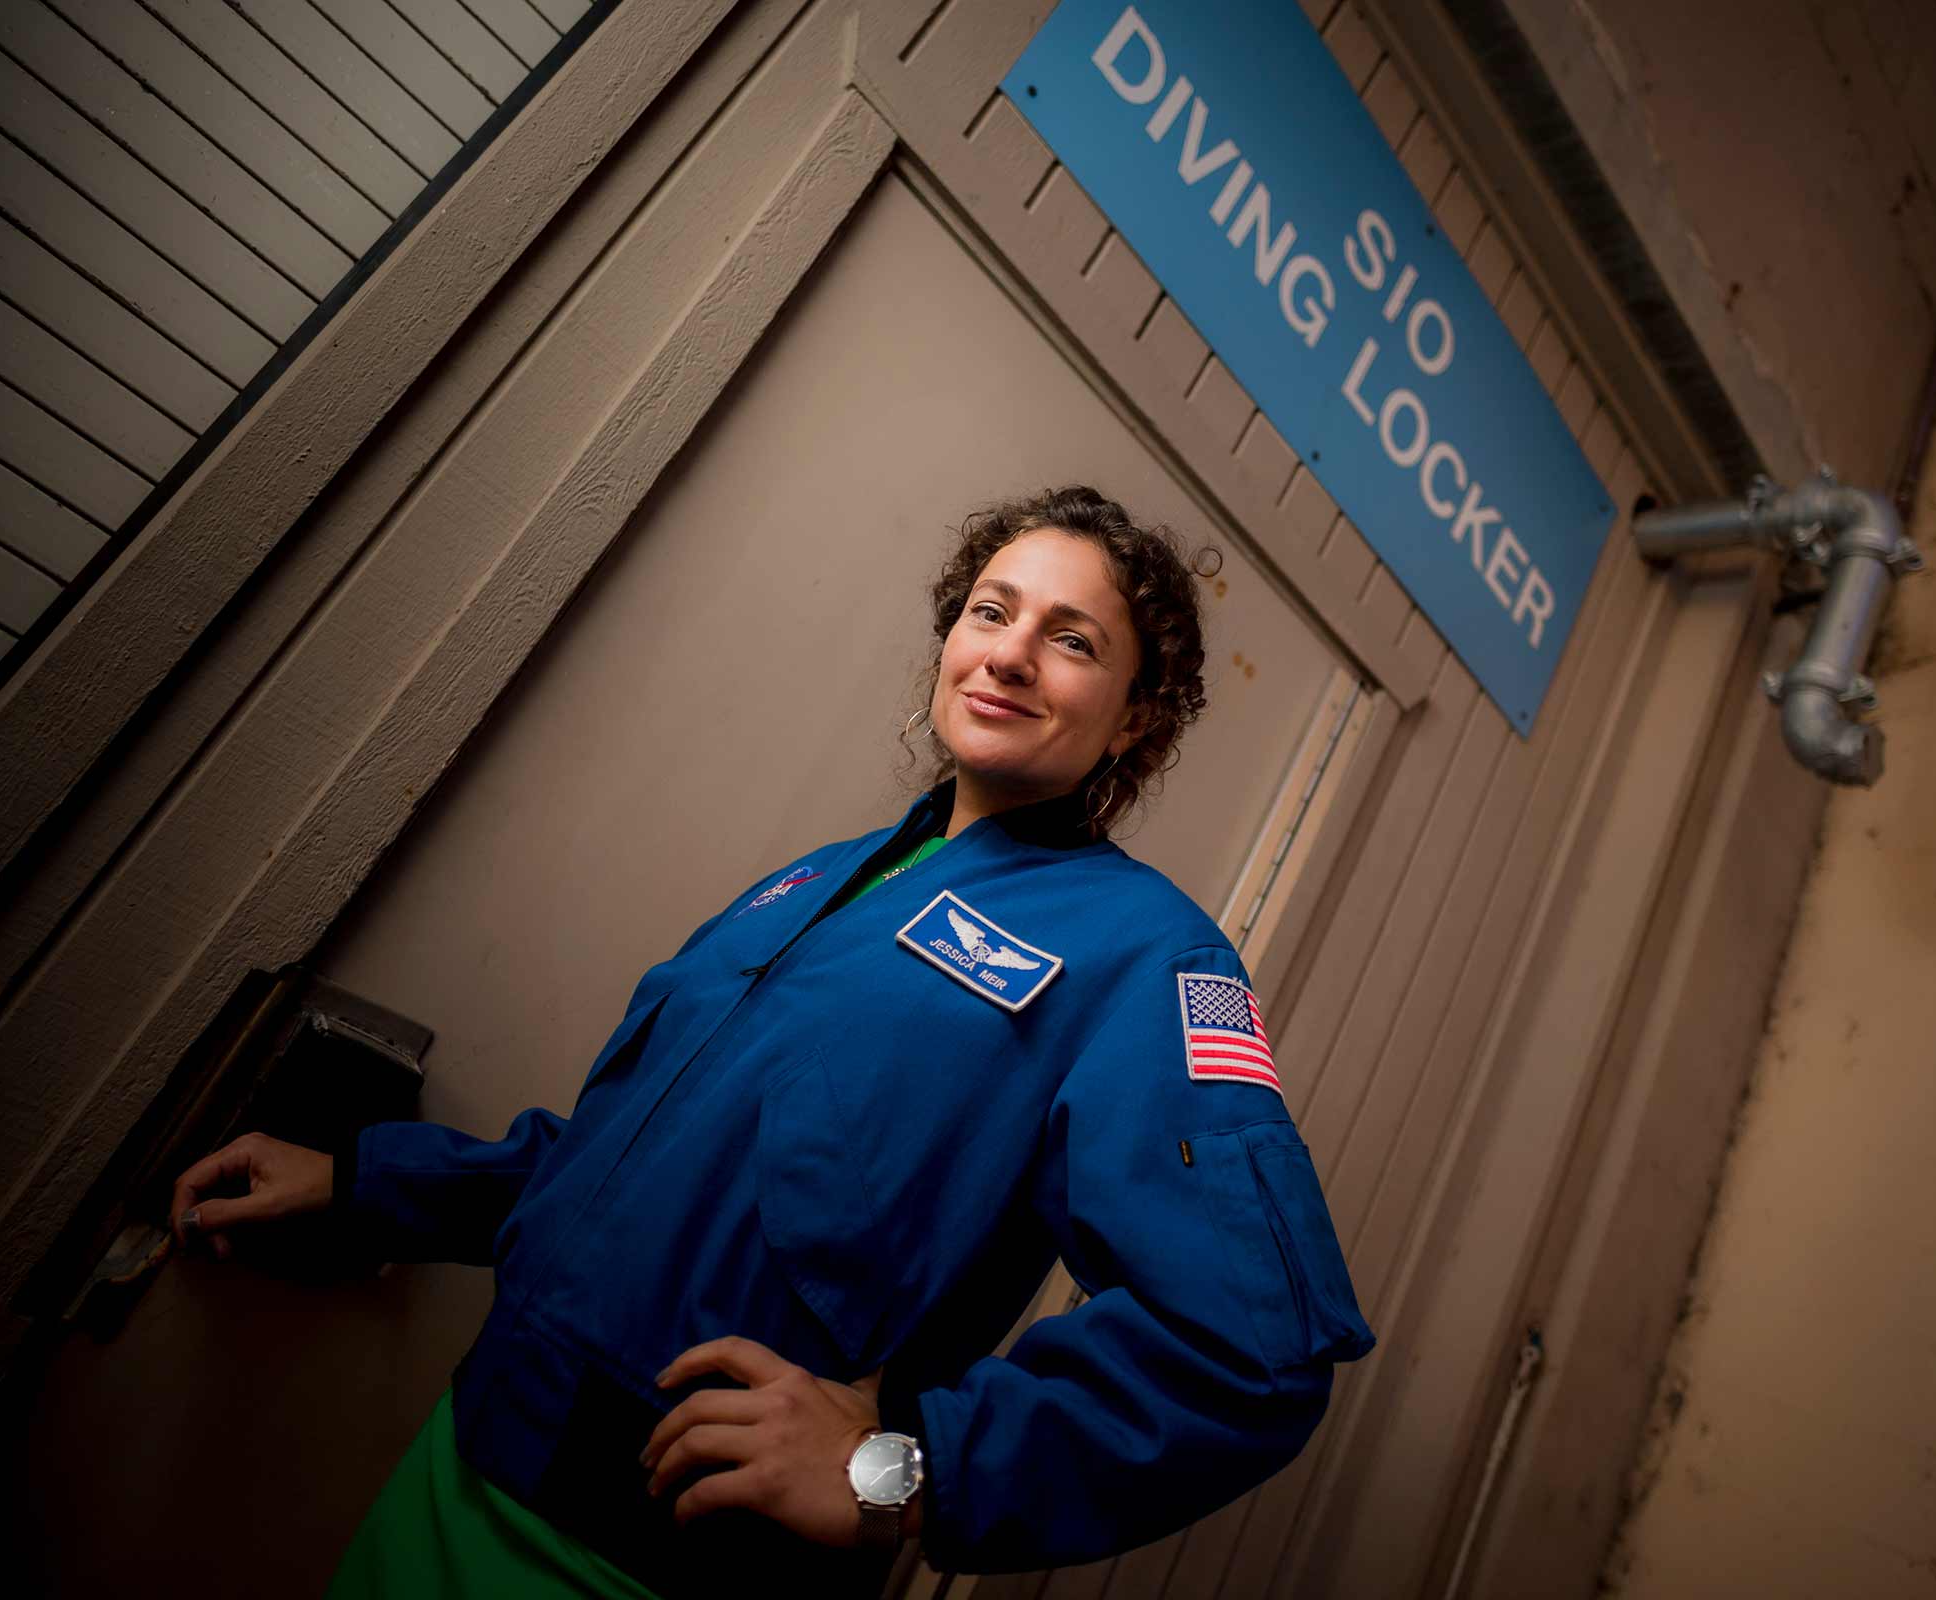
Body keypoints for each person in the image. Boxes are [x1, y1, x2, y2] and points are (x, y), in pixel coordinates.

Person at [171, 486, 1375, 1597]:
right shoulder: (822, 882)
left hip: (650, 1564)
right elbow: (630, 1172)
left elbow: (1246, 1356)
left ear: (1138, 717)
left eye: (1072, 638)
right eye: (988, 610)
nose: (1007, 649)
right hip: (463, 1459)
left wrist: (897, 1473)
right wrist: (363, 1184)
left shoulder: (1150, 957)